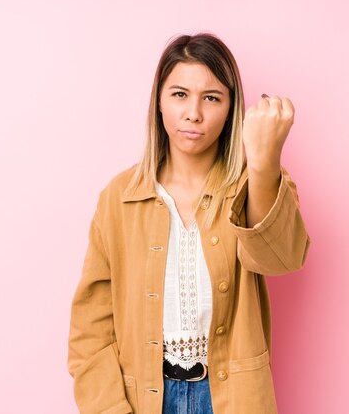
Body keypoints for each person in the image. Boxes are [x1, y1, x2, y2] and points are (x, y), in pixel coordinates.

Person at [67, 32, 310, 414]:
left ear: (231, 108)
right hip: (143, 399)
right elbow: (90, 333)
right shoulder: (119, 197)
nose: (193, 113)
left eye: (211, 98)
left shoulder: (252, 185)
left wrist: (263, 162)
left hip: (233, 399)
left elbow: (281, 259)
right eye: (179, 94)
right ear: (159, 103)